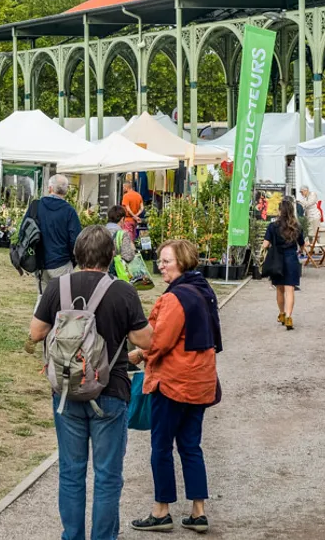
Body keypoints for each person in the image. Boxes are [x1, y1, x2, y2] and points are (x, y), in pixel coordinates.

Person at [29, 226, 153, 540]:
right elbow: (145, 340)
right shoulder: (123, 290)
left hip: (67, 391)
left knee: (71, 473)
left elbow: (36, 333)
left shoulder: (58, 287)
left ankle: (72, 536)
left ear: (77, 254)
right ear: (110, 256)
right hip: (111, 391)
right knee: (107, 476)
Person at [129, 239, 222, 534]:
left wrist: (140, 352)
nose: (161, 266)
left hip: (174, 382)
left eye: (166, 261)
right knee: (191, 446)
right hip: (201, 380)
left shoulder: (174, 298)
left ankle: (161, 510)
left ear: (181, 262)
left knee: (161, 446)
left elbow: (160, 341)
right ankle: (198, 511)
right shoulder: (205, 291)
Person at [28, 174, 83, 294]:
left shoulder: (36, 206)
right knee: (64, 302)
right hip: (61, 262)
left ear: (49, 188)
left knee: (43, 299)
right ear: (66, 191)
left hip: (40, 261)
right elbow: (76, 241)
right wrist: (73, 261)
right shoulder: (69, 212)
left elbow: (26, 232)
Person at [261, 198, 304, 330]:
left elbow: (265, 244)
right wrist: (298, 252)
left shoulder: (273, 226)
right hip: (291, 258)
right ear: (291, 211)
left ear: (280, 211)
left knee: (279, 289)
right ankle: (289, 317)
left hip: (277, 259)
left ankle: (281, 313)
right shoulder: (296, 226)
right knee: (290, 289)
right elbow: (302, 245)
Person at [105, 205, 136, 281]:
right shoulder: (122, 234)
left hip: (101, 274)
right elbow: (127, 257)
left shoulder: (99, 232)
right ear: (122, 219)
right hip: (116, 275)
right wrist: (132, 248)